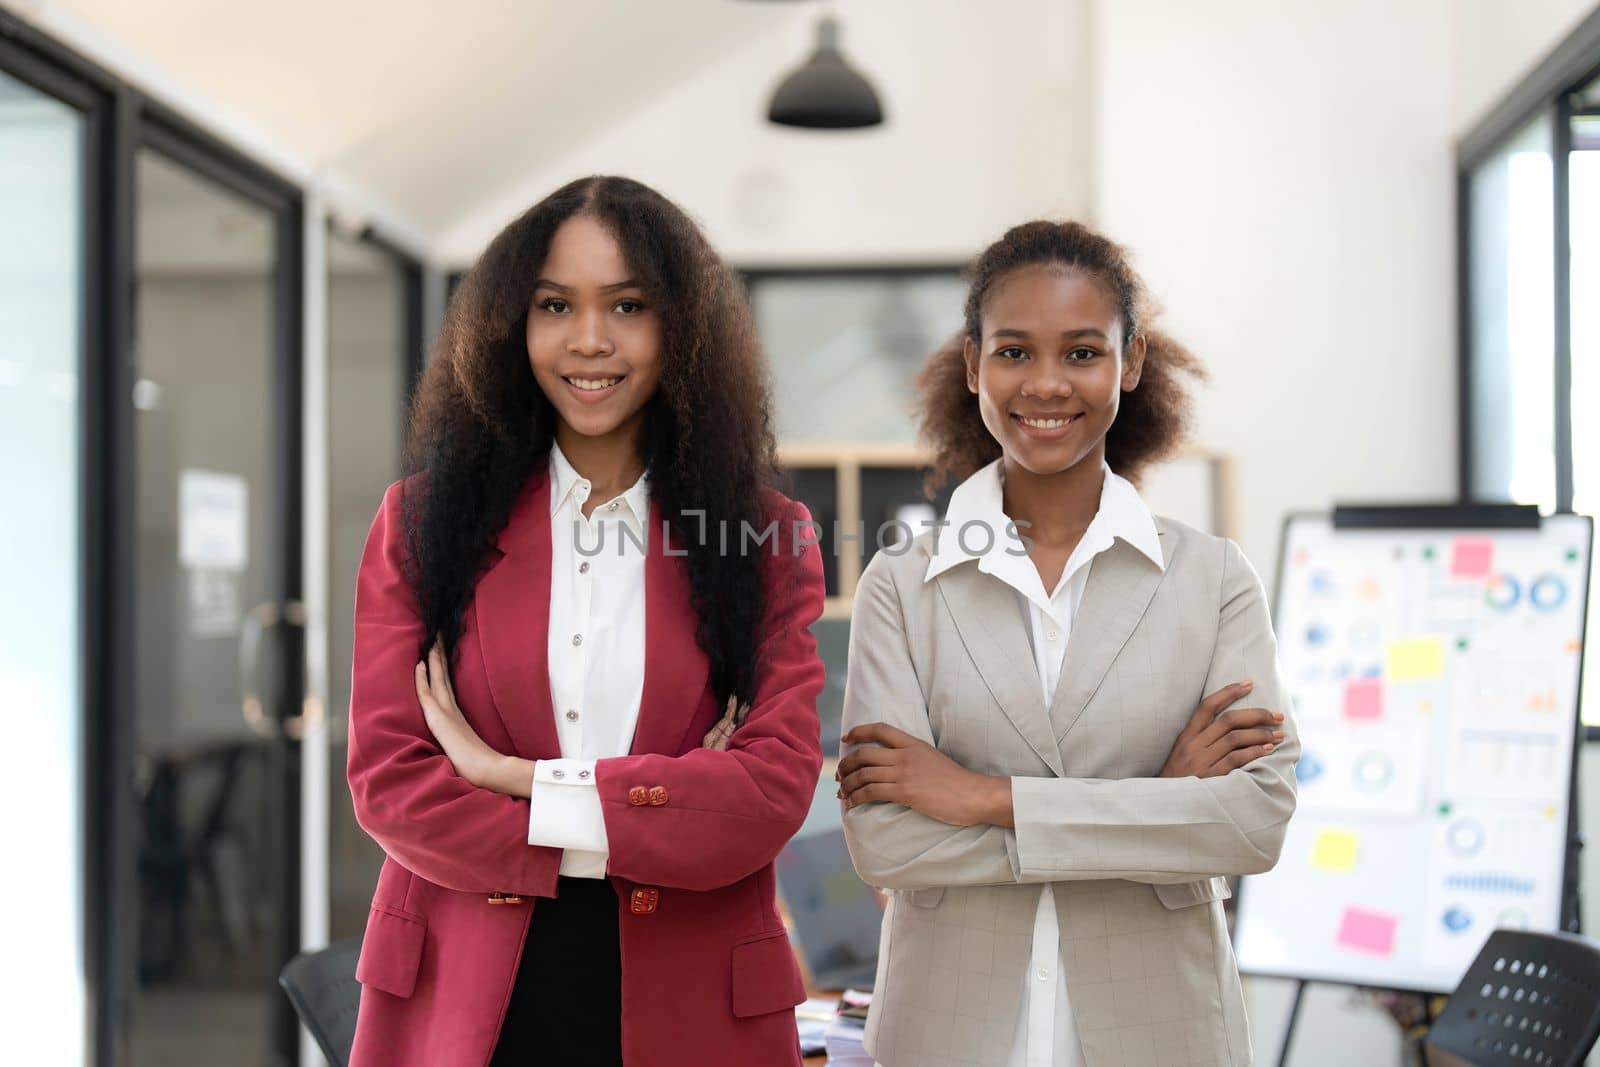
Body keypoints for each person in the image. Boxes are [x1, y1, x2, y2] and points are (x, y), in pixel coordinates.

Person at [345, 175, 826, 1067]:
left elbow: (769, 793)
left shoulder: (765, 539)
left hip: (693, 995)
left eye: (628, 304)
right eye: (555, 305)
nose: (590, 340)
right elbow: (391, 782)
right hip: (468, 994)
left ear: (680, 329)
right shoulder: (420, 524)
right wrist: (658, 808)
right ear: (512, 326)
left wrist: (508, 776)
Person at [836, 220, 1300, 1067]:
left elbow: (1252, 824)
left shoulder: (1213, 578)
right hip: (948, 1035)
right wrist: (1158, 804)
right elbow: (889, 843)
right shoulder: (902, 586)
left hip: (1166, 1034)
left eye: (1082, 352)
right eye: (1014, 352)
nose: (1046, 383)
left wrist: (982, 797)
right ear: (973, 363)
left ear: (1130, 361)